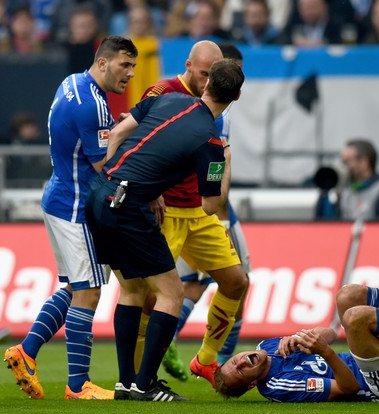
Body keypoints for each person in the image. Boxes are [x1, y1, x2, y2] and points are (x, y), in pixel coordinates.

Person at [84, 58, 245, 401]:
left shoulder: (168, 99)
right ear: (238, 96)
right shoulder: (212, 144)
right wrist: (226, 161)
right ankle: (146, 385)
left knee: (131, 291)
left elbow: (120, 131)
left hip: (100, 195)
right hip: (130, 208)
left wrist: (114, 174)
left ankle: (127, 383)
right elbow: (212, 206)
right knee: (171, 293)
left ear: (206, 84)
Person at [4, 35, 137, 400]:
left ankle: (26, 352)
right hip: (77, 206)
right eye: (125, 65)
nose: (130, 74)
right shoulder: (93, 105)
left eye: (134, 67)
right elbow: (102, 164)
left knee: (76, 288)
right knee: (90, 291)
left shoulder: (72, 83)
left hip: (59, 195)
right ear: (104, 62)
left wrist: (114, 126)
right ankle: (78, 386)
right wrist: (129, 129)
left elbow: (88, 136)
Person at [132, 40, 249, 387]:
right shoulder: (164, 92)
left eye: (211, 76)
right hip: (164, 212)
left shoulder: (217, 112)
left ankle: (206, 360)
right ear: (189, 66)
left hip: (199, 212)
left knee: (236, 281)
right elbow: (135, 138)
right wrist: (148, 192)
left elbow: (212, 185)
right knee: (150, 298)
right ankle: (140, 377)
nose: (205, 82)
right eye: (202, 74)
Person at [214, 284, 379, 401]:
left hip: (374, 357)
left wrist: (302, 336)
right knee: (354, 318)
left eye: (235, 360)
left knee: (348, 295)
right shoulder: (279, 386)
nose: (241, 362)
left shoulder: (266, 347)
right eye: (240, 371)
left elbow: (329, 331)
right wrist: (325, 352)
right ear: (251, 384)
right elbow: (348, 388)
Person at [315, 139, 379, 221]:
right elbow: (321, 225)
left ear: (364, 163)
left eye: (346, 162)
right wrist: (329, 193)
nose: (342, 166)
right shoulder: (340, 188)